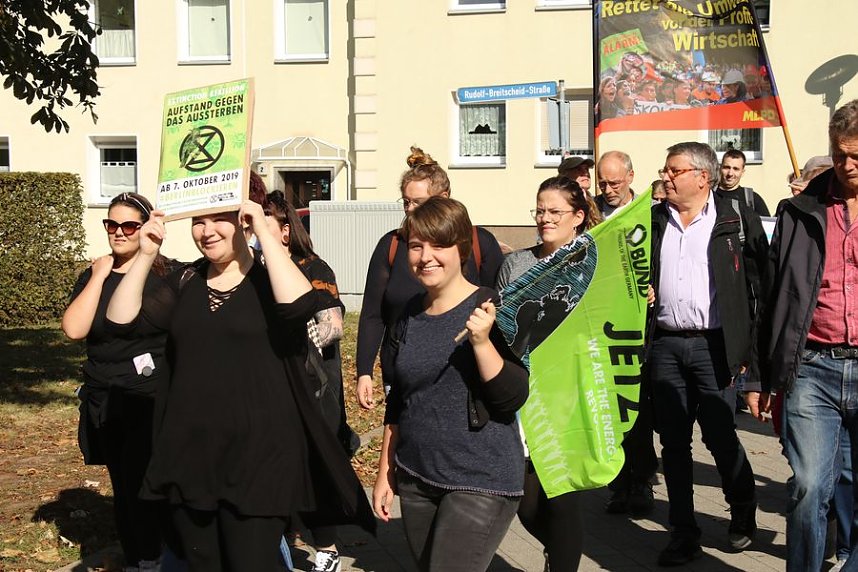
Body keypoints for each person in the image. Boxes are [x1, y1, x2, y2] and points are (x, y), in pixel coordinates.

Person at [105, 200, 374, 571]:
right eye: (199, 221)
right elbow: (120, 320)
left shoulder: (271, 279)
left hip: (259, 458)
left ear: (244, 222)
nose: (207, 230)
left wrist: (264, 230)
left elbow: (300, 305)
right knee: (203, 564)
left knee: (252, 562)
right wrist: (146, 253)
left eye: (220, 220)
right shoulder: (186, 281)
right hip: (190, 456)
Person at [372, 196, 528, 572]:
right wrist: (385, 471)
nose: (426, 256)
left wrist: (481, 342)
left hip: (480, 477)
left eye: (438, 245)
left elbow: (512, 396)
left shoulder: (490, 306)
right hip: (417, 476)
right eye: (416, 246)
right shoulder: (408, 314)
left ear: (460, 248)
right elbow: (399, 399)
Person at [747, 99, 858, 571]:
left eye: (857, 156)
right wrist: (757, 375)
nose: (847, 165)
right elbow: (771, 296)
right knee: (810, 484)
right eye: (839, 154)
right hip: (812, 367)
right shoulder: (799, 210)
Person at [649, 142, 768, 566]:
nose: (666, 177)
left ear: (702, 177)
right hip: (665, 344)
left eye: (673, 170)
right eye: (665, 170)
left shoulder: (734, 218)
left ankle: (742, 514)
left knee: (720, 436)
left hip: (715, 346)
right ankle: (683, 531)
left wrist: (753, 364)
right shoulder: (654, 220)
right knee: (675, 444)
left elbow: (760, 290)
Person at [62, 192, 178, 572]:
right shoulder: (95, 273)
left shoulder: (168, 274)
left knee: (150, 482)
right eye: (111, 224)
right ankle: (139, 557)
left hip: (151, 396)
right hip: (106, 397)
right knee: (125, 487)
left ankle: (162, 553)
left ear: (145, 227)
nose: (118, 232)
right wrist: (98, 276)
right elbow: (75, 329)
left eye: (128, 225)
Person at [495, 176, 601, 571]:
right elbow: (501, 326)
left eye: (554, 211)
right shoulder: (517, 263)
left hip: (572, 392)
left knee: (563, 497)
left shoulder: (596, 261)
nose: (544, 218)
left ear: (577, 216)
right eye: (540, 210)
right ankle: (559, 549)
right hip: (525, 393)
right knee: (527, 504)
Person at [355, 147, 504, 410]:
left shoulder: (480, 243)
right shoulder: (391, 245)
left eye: (419, 202)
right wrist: (364, 370)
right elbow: (373, 314)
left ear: (444, 197)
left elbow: (499, 308)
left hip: (462, 371)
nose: (410, 210)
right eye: (406, 202)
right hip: (401, 371)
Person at [263, 189, 356, 572]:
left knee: (315, 469)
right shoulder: (253, 269)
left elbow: (333, 321)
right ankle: (281, 539)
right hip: (269, 391)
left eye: (261, 226)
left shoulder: (314, 268)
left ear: (285, 231)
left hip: (312, 391)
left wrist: (308, 334)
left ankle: (327, 548)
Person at [716, 149, 770, 216]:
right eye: (727, 167)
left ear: (742, 172)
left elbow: (766, 225)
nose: (730, 174)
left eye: (736, 169)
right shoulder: (709, 195)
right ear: (720, 168)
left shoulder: (752, 199)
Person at [595, 150, 636, 219]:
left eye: (614, 184)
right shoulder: (589, 210)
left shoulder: (649, 209)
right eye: (602, 184)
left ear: (630, 176)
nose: (607, 191)